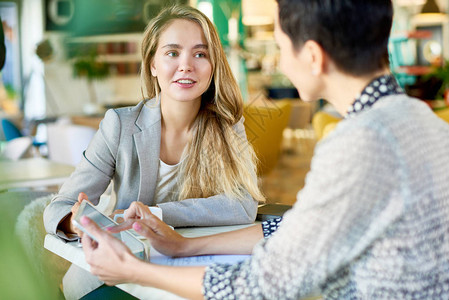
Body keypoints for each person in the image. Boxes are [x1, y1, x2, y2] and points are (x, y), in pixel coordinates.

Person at [80, 0, 449, 299]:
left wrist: (137, 271)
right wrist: (183, 247)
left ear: (313, 57)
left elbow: (264, 283)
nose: (282, 62)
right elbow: (295, 226)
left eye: (281, 44)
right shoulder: (421, 119)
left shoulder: (360, 143)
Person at [43, 5, 264, 299]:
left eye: (200, 54)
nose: (186, 65)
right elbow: (57, 209)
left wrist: (156, 214)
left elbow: (243, 205)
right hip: (113, 279)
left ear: (213, 66)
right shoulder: (119, 125)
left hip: (185, 274)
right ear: (152, 65)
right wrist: (76, 222)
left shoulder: (227, 126)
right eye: (172, 53)